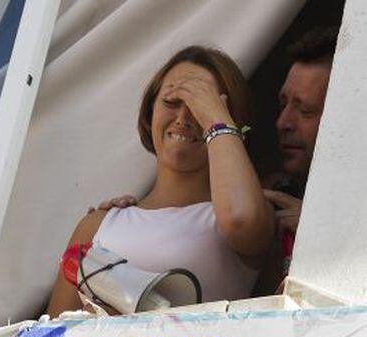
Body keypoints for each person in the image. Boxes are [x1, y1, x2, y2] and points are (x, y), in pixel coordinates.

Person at [47, 46, 274, 317]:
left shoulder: (241, 217)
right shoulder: (98, 224)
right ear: (149, 112)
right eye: (171, 101)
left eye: (199, 105)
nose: (183, 118)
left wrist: (216, 120)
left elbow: (241, 218)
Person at [258, 26, 338, 290]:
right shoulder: (272, 191)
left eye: (304, 110)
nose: (282, 123)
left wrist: (322, 231)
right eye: (283, 104)